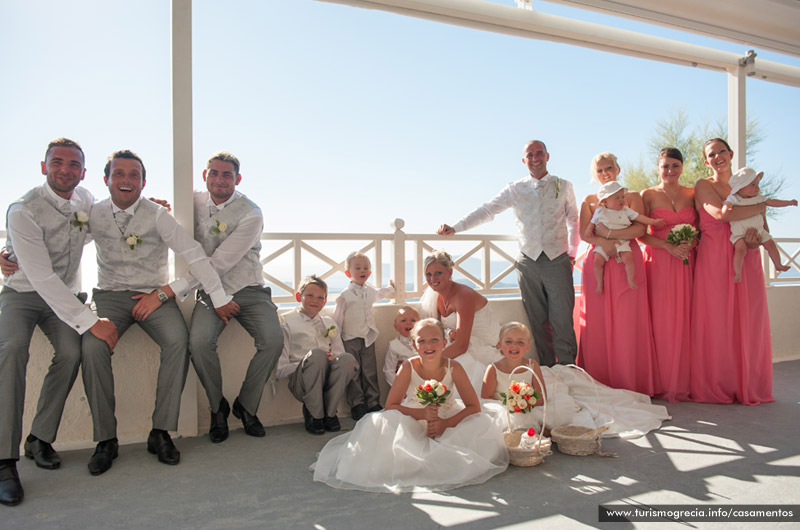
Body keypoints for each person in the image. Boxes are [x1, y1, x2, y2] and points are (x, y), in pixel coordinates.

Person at [80, 150, 237, 475]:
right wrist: (9, 256)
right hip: (108, 296)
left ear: (144, 181)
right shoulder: (92, 214)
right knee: (92, 346)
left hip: (153, 296)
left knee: (179, 341)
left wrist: (218, 296)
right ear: (106, 179)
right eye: (119, 174)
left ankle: (161, 431)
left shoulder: (157, 214)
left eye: (134, 175)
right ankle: (106, 439)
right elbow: (61, 244)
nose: (126, 180)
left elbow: (194, 254)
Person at [0, 138, 117, 507]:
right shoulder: (22, 210)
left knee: (71, 351)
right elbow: (39, 276)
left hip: (62, 297)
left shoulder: (84, 200)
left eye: (73, 165)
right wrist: (91, 320)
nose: (64, 170)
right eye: (57, 162)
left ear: (83, 173)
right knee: (13, 349)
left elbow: (110, 216)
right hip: (22, 292)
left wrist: (152, 207)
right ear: (44, 166)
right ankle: (4, 461)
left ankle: (39, 438)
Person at [311, 318, 507, 493]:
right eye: (421, 341)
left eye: (434, 340)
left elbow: (474, 406)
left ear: (444, 343)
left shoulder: (453, 367)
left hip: (447, 416)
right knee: (392, 439)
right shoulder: (408, 367)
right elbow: (391, 405)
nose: (428, 345)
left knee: (475, 434)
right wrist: (421, 413)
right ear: (414, 345)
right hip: (412, 416)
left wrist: (446, 424)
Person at [171, 152, 283, 443]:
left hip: (249, 288)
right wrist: (161, 208)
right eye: (214, 173)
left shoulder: (251, 213)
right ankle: (217, 407)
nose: (219, 179)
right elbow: (170, 224)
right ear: (205, 175)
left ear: (238, 179)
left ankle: (246, 405)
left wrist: (173, 288)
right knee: (198, 342)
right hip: (210, 291)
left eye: (227, 175)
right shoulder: (193, 202)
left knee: (272, 340)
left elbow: (220, 262)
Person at [437, 140, 580, 366]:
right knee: (538, 321)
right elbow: (488, 209)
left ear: (548, 156)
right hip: (527, 262)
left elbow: (574, 221)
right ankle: (548, 370)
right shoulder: (515, 188)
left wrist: (571, 253)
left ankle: (569, 370)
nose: (535, 158)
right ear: (524, 160)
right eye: (530, 155)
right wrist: (456, 227)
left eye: (539, 153)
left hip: (557, 259)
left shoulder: (564, 185)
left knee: (562, 320)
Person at [691, 138, 774, 404]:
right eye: (711, 154)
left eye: (721, 151)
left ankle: (747, 383)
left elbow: (764, 229)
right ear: (707, 161)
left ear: (731, 154)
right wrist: (762, 204)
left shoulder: (748, 185)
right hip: (715, 258)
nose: (717, 157)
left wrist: (755, 237)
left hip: (746, 255)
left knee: (748, 319)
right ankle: (719, 383)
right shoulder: (704, 185)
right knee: (718, 319)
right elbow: (720, 215)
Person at [483, 323, 670, 438]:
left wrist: (526, 402)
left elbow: (541, 397)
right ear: (500, 345)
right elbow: (485, 398)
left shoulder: (532, 366)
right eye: (508, 341)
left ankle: (540, 431)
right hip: (505, 408)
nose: (514, 346)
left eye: (520, 342)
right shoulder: (493, 368)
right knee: (505, 423)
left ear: (528, 347)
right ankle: (531, 432)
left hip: (531, 406)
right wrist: (511, 404)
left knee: (551, 413)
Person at [578, 152, 658, 396]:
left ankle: (630, 379)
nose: (605, 173)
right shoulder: (590, 200)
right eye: (600, 170)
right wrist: (605, 243)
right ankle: (599, 380)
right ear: (595, 175)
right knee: (598, 318)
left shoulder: (632, 196)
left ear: (618, 168)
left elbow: (639, 228)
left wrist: (612, 237)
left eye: (609, 168)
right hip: (600, 259)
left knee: (628, 317)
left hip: (626, 259)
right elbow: (585, 234)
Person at [640, 147, 697, 403]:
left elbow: (702, 228)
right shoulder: (648, 195)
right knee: (661, 319)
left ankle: (686, 379)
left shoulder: (692, 193)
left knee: (687, 316)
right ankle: (661, 380)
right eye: (665, 166)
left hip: (688, 261)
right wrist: (669, 247)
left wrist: (690, 245)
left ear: (682, 167)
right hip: (659, 261)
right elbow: (641, 234)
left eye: (675, 166)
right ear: (657, 168)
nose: (670, 171)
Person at [276, 276, 362, 435]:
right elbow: (280, 370)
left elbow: (340, 356)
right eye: (309, 295)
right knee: (316, 355)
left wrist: (329, 361)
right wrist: (309, 361)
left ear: (325, 301)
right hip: (301, 382)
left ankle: (329, 413)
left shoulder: (329, 323)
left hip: (327, 380)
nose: (315, 300)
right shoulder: (287, 324)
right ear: (298, 297)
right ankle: (314, 414)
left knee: (348, 359)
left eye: (320, 297)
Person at [418, 251, 503, 393]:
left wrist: (430, 363)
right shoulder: (434, 296)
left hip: (484, 347)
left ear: (450, 272)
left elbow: (462, 345)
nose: (433, 279)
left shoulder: (464, 296)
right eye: (428, 274)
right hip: (459, 343)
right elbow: (437, 329)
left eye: (438, 273)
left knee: (458, 367)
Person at [332, 251, 394, 417]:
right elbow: (337, 318)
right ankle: (357, 404)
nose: (362, 270)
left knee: (370, 371)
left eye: (366, 268)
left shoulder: (370, 290)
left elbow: (380, 293)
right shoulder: (344, 296)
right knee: (354, 372)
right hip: (349, 338)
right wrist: (333, 339)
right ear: (348, 273)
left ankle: (373, 401)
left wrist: (391, 288)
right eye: (357, 267)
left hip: (368, 337)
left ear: (370, 272)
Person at [586, 181, 664, 293]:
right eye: (617, 198)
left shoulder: (626, 211)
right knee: (597, 261)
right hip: (604, 241)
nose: (621, 200)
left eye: (622, 197)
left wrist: (653, 221)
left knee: (628, 258)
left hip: (621, 240)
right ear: (605, 201)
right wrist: (589, 229)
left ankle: (630, 279)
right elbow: (592, 222)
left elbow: (639, 218)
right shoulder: (600, 211)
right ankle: (599, 283)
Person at [722, 167, 796, 282]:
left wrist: (788, 203)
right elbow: (727, 205)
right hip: (740, 233)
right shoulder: (734, 198)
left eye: (757, 184)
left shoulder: (759, 198)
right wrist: (726, 209)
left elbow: (772, 202)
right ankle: (737, 272)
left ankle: (778, 264)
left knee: (771, 244)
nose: (757, 187)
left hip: (759, 231)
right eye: (752, 185)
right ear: (740, 189)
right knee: (740, 249)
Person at [382, 306, 419, 386]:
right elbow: (389, 371)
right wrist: (399, 388)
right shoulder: (394, 346)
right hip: (402, 386)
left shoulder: (424, 344)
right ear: (396, 327)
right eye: (403, 320)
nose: (409, 323)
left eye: (413, 320)